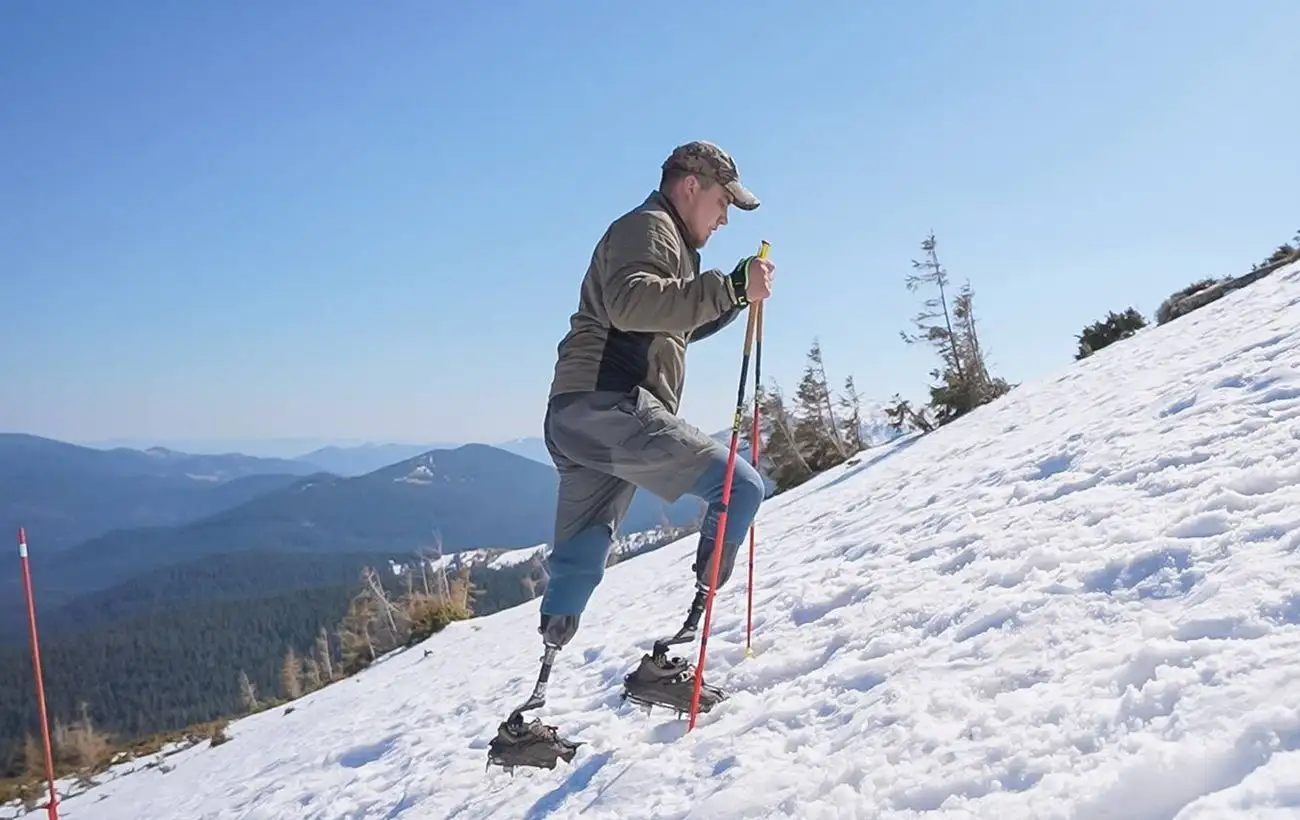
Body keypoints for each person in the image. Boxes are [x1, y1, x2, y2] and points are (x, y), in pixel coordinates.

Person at [487, 140, 775, 771]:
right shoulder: (648, 228)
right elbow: (632, 303)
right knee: (742, 488)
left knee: (581, 555)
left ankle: (527, 715)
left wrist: (731, 298)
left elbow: (670, 321)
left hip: (580, 417)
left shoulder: (664, 239)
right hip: (610, 406)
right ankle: (677, 651)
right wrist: (727, 284)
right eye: (724, 201)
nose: (725, 218)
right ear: (691, 185)